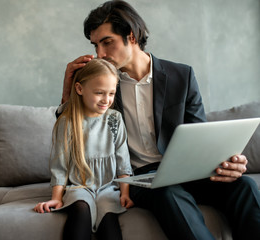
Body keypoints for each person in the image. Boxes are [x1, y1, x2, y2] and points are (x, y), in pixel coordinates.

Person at [59, 1, 260, 239]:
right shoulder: (103, 85)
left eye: (107, 42)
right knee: (169, 193)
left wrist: (226, 162)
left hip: (183, 170)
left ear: (131, 36)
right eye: (95, 45)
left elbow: (200, 136)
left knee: (245, 186)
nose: (100, 53)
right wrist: (68, 89)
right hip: (137, 177)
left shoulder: (181, 76)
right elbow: (72, 134)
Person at [34, 58, 133, 240]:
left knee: (108, 216)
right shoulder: (67, 121)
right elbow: (60, 166)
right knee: (81, 208)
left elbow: (123, 160)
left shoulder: (115, 119)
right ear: (79, 89)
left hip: (108, 187)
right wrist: (56, 197)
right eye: (99, 93)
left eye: (111, 93)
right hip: (78, 186)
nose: (106, 100)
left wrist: (125, 193)